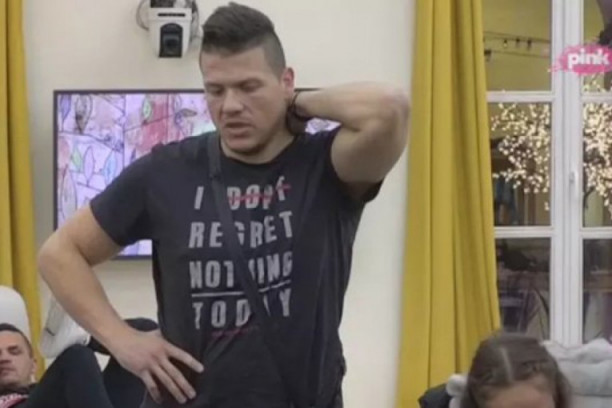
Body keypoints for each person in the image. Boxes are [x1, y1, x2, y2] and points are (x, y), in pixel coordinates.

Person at [36, 2, 409, 408]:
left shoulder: (326, 167)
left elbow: (389, 109)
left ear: (285, 81)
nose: (230, 105)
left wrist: (299, 103)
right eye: (215, 90)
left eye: (249, 87)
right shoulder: (166, 171)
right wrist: (121, 340)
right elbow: (59, 254)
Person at [0, 317, 157, 408]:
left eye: (14, 352)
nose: (4, 358)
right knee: (76, 357)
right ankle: (80, 339)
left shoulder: (54, 389)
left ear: (33, 365)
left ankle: (85, 338)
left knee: (143, 332)